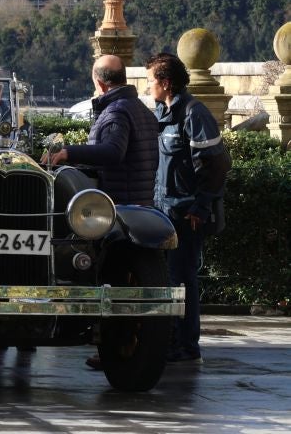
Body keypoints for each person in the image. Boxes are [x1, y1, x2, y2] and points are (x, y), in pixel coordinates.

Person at [146, 52, 231, 364]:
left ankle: (186, 346)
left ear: (166, 83)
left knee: (183, 280)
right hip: (164, 211)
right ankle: (171, 341)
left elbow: (219, 164)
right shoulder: (163, 111)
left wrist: (200, 206)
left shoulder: (194, 113)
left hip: (186, 214)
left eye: (151, 81)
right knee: (168, 280)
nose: (148, 87)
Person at [43, 55, 158, 206]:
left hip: (118, 207)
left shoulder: (116, 111)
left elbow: (113, 151)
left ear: (99, 84)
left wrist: (66, 152)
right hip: (142, 203)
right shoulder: (142, 109)